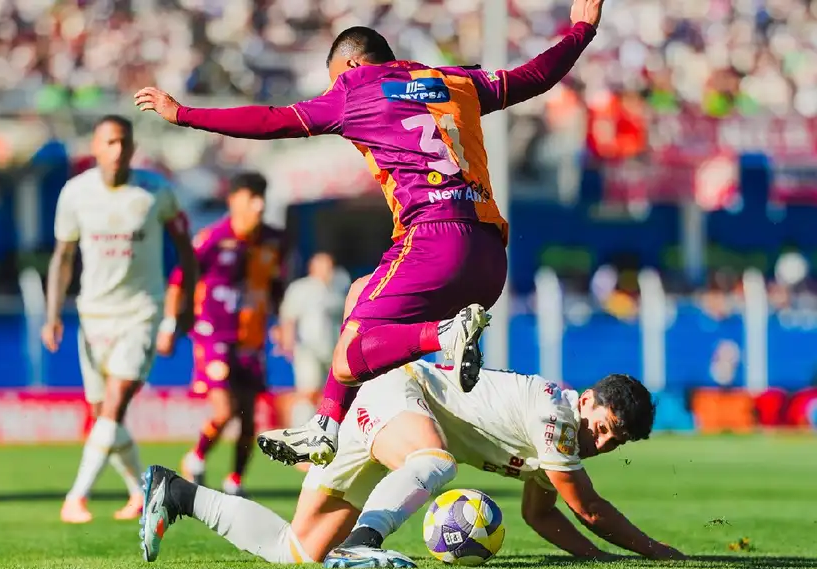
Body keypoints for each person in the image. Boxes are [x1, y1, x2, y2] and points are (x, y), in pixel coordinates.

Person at [134, 0, 606, 467]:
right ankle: (326, 425)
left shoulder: (355, 89)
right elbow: (535, 76)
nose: (331, 90)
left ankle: (444, 335)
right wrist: (581, 31)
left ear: (353, 64)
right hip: (489, 256)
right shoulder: (456, 81)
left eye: (334, 78)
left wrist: (185, 114)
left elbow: (273, 119)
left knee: (349, 356)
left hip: (433, 240)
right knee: (359, 295)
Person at [137, 361, 686, 566]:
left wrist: (597, 560)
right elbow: (588, 508)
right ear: (585, 400)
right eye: (602, 425)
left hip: (390, 426)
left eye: (614, 441)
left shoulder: (557, 442)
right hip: (400, 393)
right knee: (436, 461)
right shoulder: (556, 420)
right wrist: (658, 552)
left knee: (296, 552)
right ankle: (364, 543)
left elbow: (541, 515)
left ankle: (174, 492)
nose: (600, 440)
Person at [43, 115, 197, 524]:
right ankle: (139, 492)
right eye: (109, 142)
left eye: (124, 143)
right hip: (93, 315)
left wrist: (182, 308)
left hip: (140, 313)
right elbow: (63, 257)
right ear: (95, 147)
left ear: (132, 148)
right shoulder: (75, 194)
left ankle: (76, 497)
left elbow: (186, 250)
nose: (117, 150)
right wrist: (52, 314)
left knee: (113, 405)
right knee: (103, 416)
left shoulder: (156, 191)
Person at [158, 172, 284, 496]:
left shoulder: (273, 240)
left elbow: (276, 285)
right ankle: (196, 458)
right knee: (225, 410)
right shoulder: (212, 238)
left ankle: (235, 481)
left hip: (251, 337)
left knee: (248, 417)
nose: (258, 205)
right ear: (234, 200)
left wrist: (280, 322)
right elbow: (178, 282)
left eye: (262, 197)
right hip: (213, 334)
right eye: (251, 198)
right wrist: (170, 325)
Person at [274, 252, 349, 430]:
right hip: (307, 348)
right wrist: (288, 343)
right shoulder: (300, 288)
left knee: (329, 394)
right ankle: (300, 429)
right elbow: (288, 317)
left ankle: (322, 430)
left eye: (329, 266)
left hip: (333, 350)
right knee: (308, 390)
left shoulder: (339, 288)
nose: (327, 270)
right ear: (312, 267)